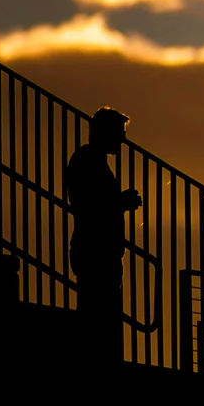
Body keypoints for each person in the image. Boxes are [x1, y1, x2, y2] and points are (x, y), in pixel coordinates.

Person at [64, 107, 143, 360]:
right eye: (119, 133)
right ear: (105, 133)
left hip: (99, 249)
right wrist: (121, 202)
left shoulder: (92, 160)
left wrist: (119, 202)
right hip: (94, 249)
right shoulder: (87, 160)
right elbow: (88, 205)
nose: (122, 140)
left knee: (102, 311)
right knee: (98, 312)